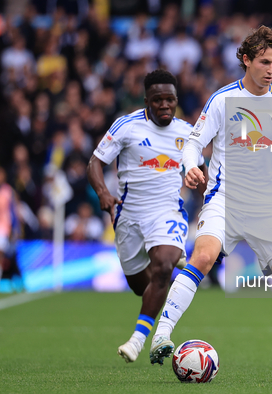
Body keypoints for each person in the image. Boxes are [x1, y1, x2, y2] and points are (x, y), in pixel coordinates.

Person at [149, 26, 272, 384]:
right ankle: (161, 335)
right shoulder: (223, 100)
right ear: (246, 60)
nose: (271, 69)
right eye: (264, 61)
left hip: (269, 208)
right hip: (225, 199)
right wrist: (191, 166)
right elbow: (194, 142)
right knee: (204, 257)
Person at [87, 69, 206, 363]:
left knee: (163, 269)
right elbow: (94, 162)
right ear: (146, 101)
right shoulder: (127, 126)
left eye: (170, 99)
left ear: (177, 100)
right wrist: (103, 192)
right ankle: (171, 254)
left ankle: (139, 341)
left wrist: (203, 198)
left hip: (167, 210)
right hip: (128, 217)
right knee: (144, 287)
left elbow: (201, 172)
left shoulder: (186, 133)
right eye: (158, 100)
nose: (165, 105)